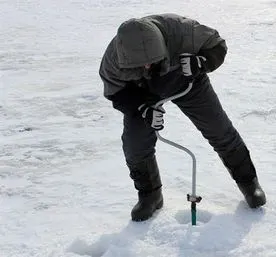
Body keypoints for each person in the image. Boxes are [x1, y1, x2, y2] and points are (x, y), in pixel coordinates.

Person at [99, 13, 266, 221]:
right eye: (141, 65)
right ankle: (150, 195)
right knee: (135, 144)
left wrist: (201, 62)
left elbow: (217, 46)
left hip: (187, 82)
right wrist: (142, 108)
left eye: (152, 62)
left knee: (219, 129)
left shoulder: (182, 31)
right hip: (143, 93)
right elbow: (115, 92)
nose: (148, 67)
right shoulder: (114, 59)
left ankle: (249, 183)